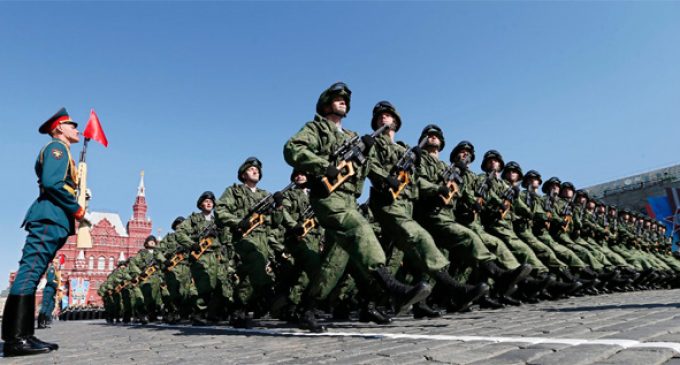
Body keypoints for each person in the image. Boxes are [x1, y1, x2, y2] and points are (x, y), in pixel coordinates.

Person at [283, 82, 430, 332]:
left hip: (350, 198)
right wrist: (322, 165)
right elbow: (292, 149)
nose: (343, 102)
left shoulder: (352, 136)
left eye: (345, 100)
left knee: (336, 261)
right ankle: (393, 288)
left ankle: (311, 308)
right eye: (337, 98)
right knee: (362, 230)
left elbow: (368, 169)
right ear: (326, 103)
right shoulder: (316, 127)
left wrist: (367, 153)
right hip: (329, 197)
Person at [2, 108, 85, 357]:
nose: (77, 129)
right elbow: (52, 183)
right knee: (29, 273)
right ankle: (16, 339)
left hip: (55, 218)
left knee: (34, 272)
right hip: (49, 216)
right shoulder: (56, 149)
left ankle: (24, 334)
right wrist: (76, 207)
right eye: (73, 125)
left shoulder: (65, 152)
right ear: (59, 128)